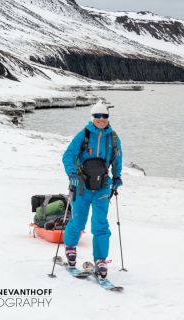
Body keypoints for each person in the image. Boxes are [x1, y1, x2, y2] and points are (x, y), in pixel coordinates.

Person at [61, 101, 123, 278]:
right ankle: (70, 248)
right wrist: (71, 173)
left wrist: (117, 177)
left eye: (104, 116)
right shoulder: (83, 135)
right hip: (81, 186)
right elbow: (68, 155)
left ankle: (100, 260)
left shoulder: (113, 138)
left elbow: (117, 159)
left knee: (100, 224)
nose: (101, 119)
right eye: (97, 116)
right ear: (92, 117)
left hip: (103, 186)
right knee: (78, 221)